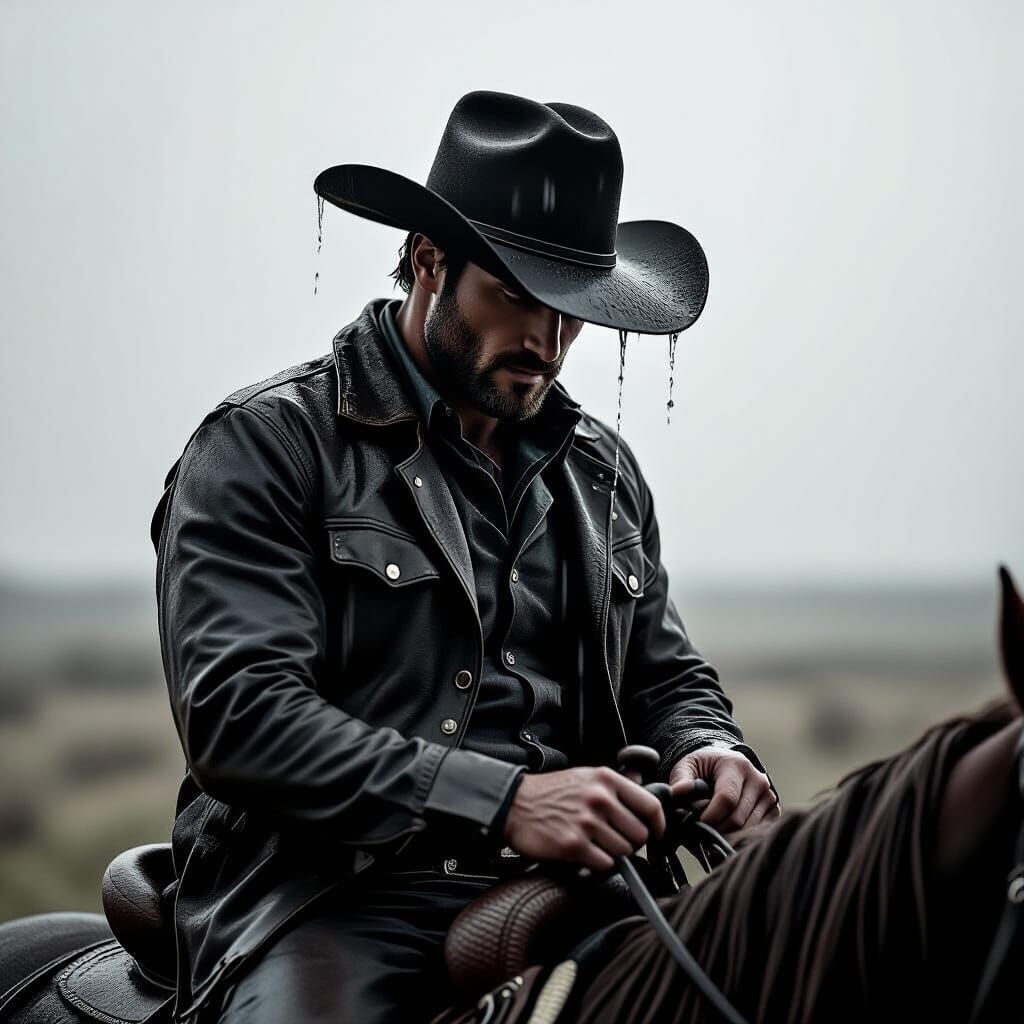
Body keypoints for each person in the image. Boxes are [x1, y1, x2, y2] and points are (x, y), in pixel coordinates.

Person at [151, 90, 779, 1024]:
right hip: (329, 897)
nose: (547, 342)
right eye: (516, 295)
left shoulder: (603, 471)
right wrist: (504, 801)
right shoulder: (266, 446)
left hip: (588, 886)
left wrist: (708, 747)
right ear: (427, 261)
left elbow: (665, 675)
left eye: (572, 310)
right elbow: (240, 716)